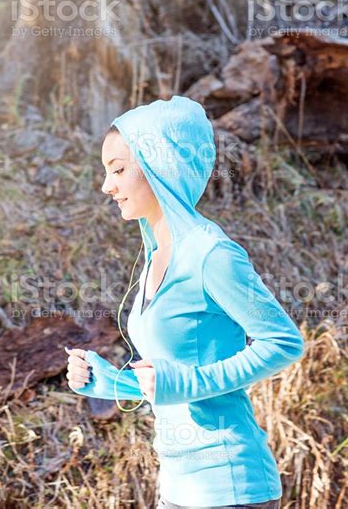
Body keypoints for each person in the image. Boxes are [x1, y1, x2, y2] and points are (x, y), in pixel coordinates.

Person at [66, 95, 305, 509]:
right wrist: (109, 382)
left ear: (159, 166)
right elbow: (171, 380)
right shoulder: (156, 255)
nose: (107, 186)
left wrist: (184, 383)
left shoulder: (211, 253)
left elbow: (283, 343)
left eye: (118, 170)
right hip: (178, 488)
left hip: (231, 486)